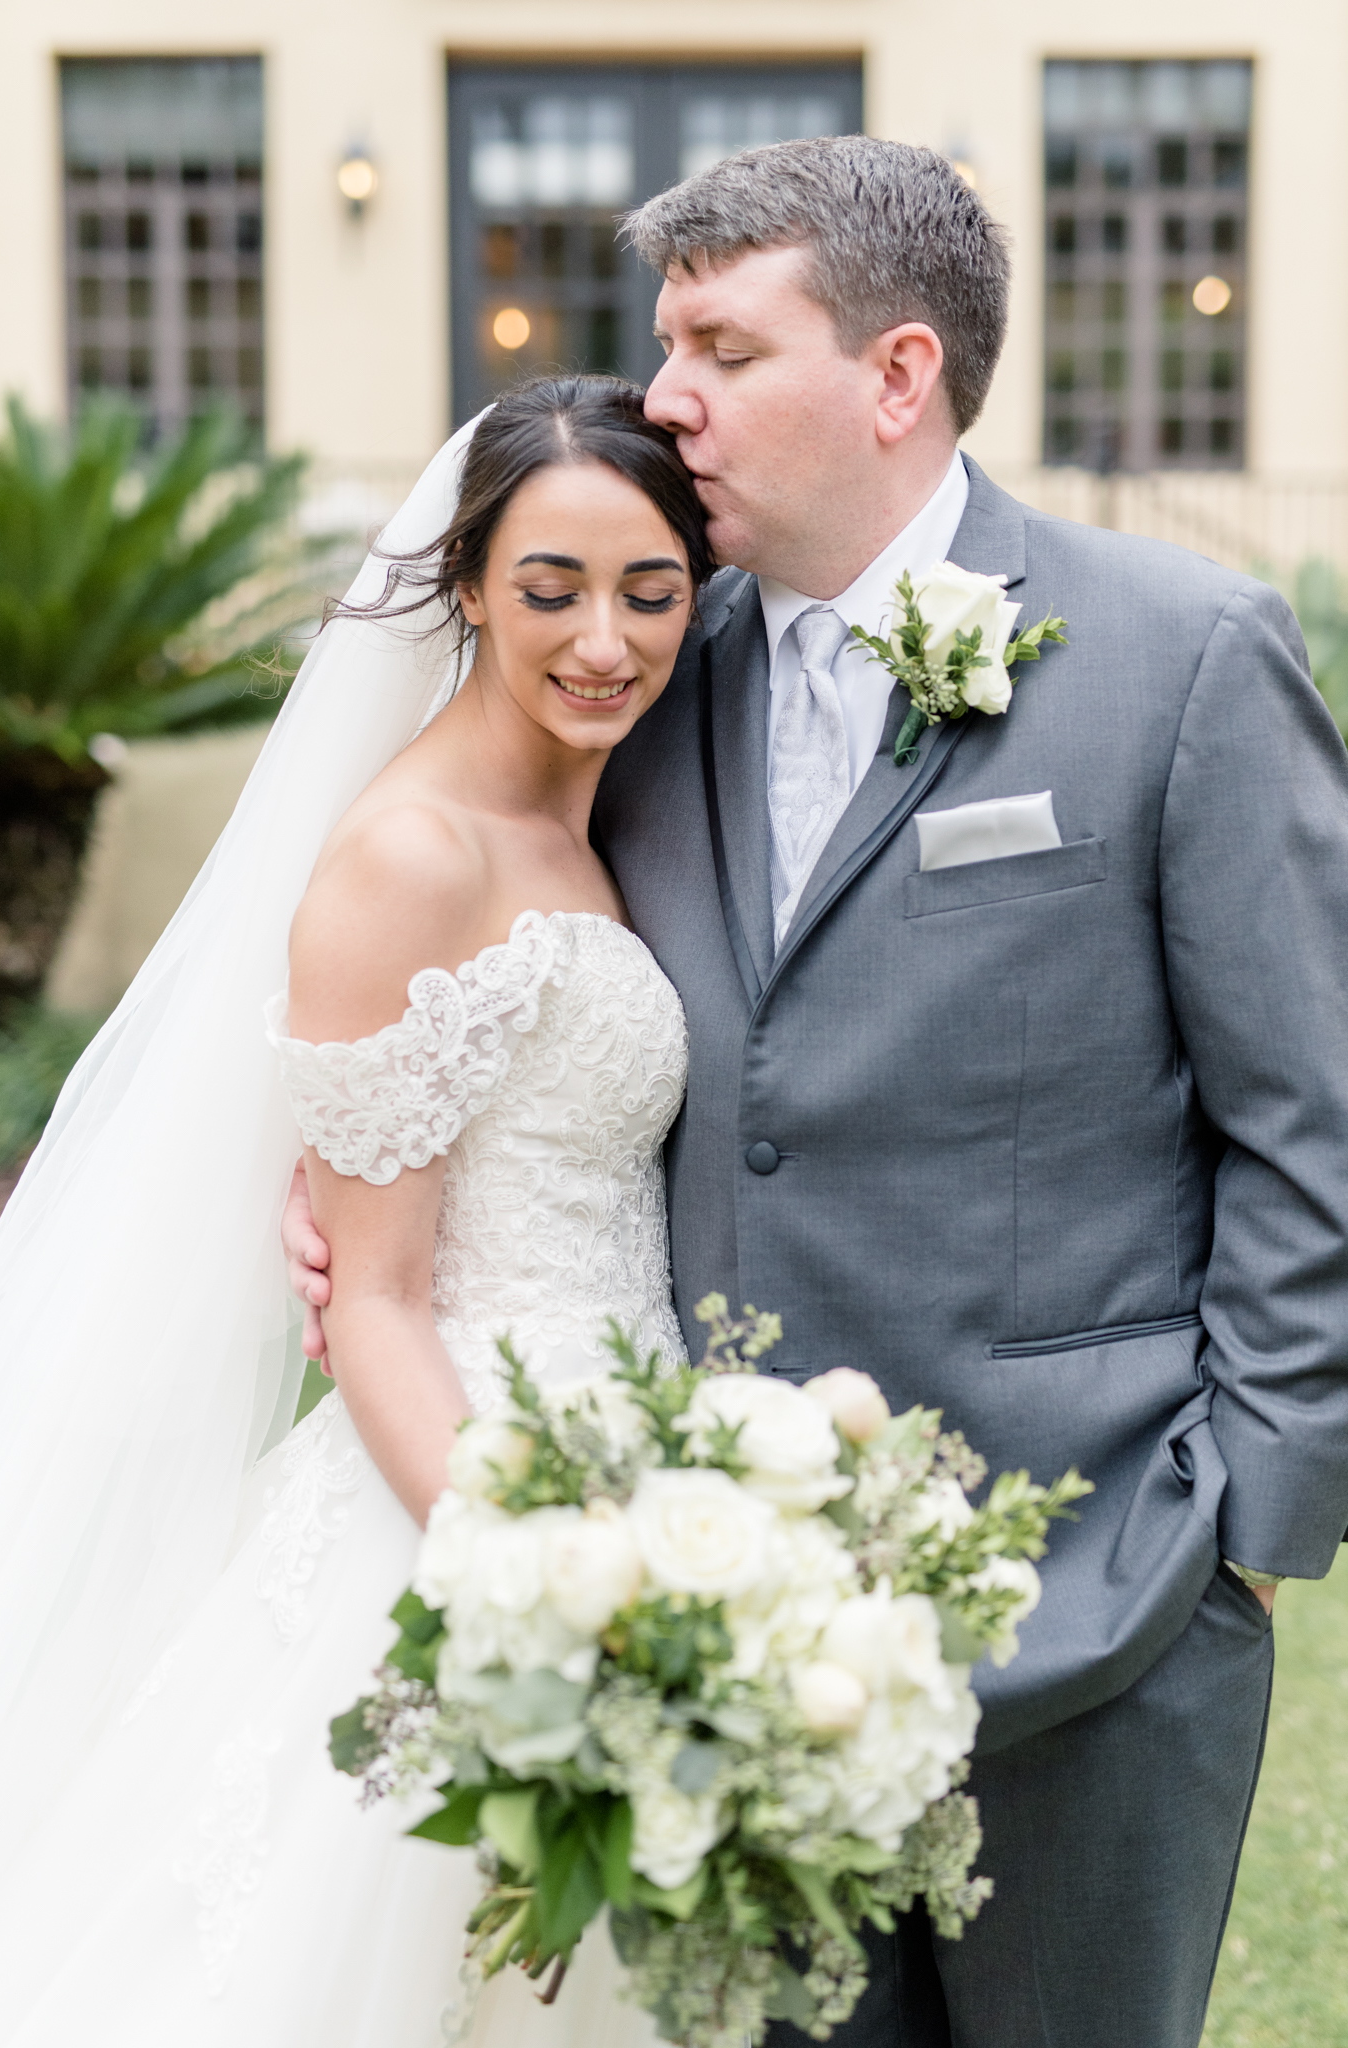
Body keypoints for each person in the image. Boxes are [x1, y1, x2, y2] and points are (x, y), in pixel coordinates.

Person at [286, 136, 1348, 2048]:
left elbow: (1316, 1123)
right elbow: (478, 966)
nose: (664, 392)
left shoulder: (1181, 660)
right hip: (722, 1618)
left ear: (895, 374)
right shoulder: (638, 663)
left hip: (1099, 1590)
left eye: (716, 344)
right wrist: (372, 1208)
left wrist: (1251, 1535)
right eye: (664, 341)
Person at [0, 378, 705, 2046]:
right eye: (551, 590)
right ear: (466, 587)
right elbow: (372, 1301)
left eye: (649, 592)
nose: (605, 639)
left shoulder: (591, 817)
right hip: (457, 1505)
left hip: (644, 1464)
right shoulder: (411, 856)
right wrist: (538, 1590)